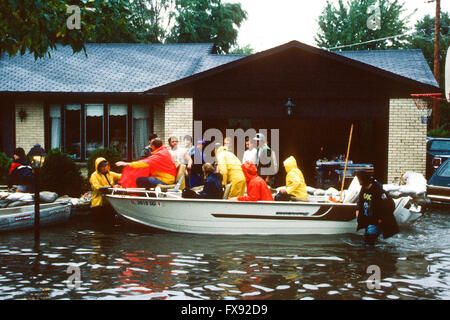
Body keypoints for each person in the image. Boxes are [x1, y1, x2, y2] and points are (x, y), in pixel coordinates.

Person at [355, 171, 399, 246]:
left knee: (369, 242)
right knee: (367, 240)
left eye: (359, 179)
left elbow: (390, 205)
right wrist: (358, 209)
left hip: (375, 219)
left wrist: (381, 218)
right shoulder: (364, 188)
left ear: (364, 179)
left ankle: (372, 255)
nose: (358, 181)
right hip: (368, 218)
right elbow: (361, 200)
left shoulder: (378, 190)